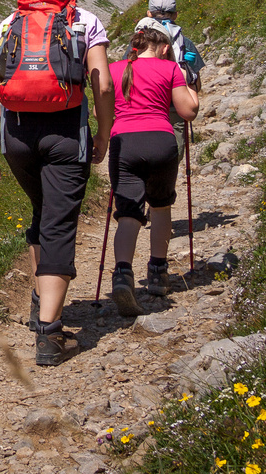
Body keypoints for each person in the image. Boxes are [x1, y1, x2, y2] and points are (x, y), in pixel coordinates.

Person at [0, 0, 114, 366]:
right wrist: (103, 133)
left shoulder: (10, 22)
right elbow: (102, 83)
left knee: (42, 211)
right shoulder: (83, 20)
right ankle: (50, 335)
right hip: (66, 132)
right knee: (59, 223)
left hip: (16, 135)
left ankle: (40, 300)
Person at [106, 17, 199, 316]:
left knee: (128, 212)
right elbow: (188, 111)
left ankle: (123, 273)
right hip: (161, 141)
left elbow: (100, 110)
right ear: (161, 48)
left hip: (124, 143)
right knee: (160, 206)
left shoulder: (116, 69)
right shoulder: (169, 67)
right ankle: (158, 272)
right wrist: (191, 85)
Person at [147, 0, 204, 90]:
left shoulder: (139, 40)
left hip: (147, 100)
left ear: (149, 14)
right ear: (175, 15)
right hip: (176, 101)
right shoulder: (185, 43)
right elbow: (197, 86)